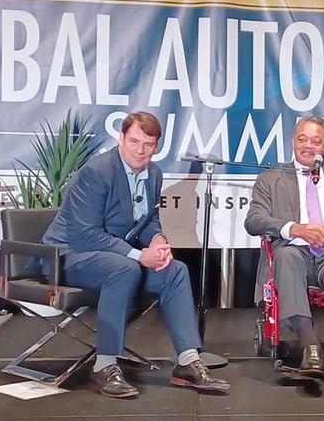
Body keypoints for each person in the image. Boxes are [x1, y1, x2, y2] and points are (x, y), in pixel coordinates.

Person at [42, 111, 230, 398]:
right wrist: (138, 256)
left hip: (114, 256)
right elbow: (86, 234)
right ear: (121, 138)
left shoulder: (153, 173)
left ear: (156, 147)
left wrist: (158, 241)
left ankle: (188, 361)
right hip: (71, 255)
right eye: (134, 141)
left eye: (148, 144)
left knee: (175, 269)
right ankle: (104, 365)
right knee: (125, 268)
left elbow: (148, 221)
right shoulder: (97, 172)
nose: (140, 150)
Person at [244, 115, 324, 394]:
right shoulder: (270, 179)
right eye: (302, 139)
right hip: (294, 251)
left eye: (316, 141)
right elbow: (254, 220)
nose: (308, 146)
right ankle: (310, 346)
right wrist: (296, 229)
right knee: (287, 257)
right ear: (293, 142)